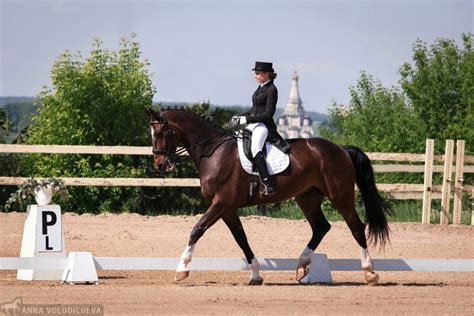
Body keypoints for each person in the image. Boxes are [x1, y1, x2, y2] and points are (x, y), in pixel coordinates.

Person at [231, 61, 281, 196]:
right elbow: (255, 110)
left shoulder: (272, 89)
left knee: (255, 148)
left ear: (266, 74)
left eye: (257, 74)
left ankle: (267, 183)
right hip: (255, 123)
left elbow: (267, 114)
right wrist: (240, 117)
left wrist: (246, 120)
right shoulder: (260, 88)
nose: (255, 76)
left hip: (264, 125)